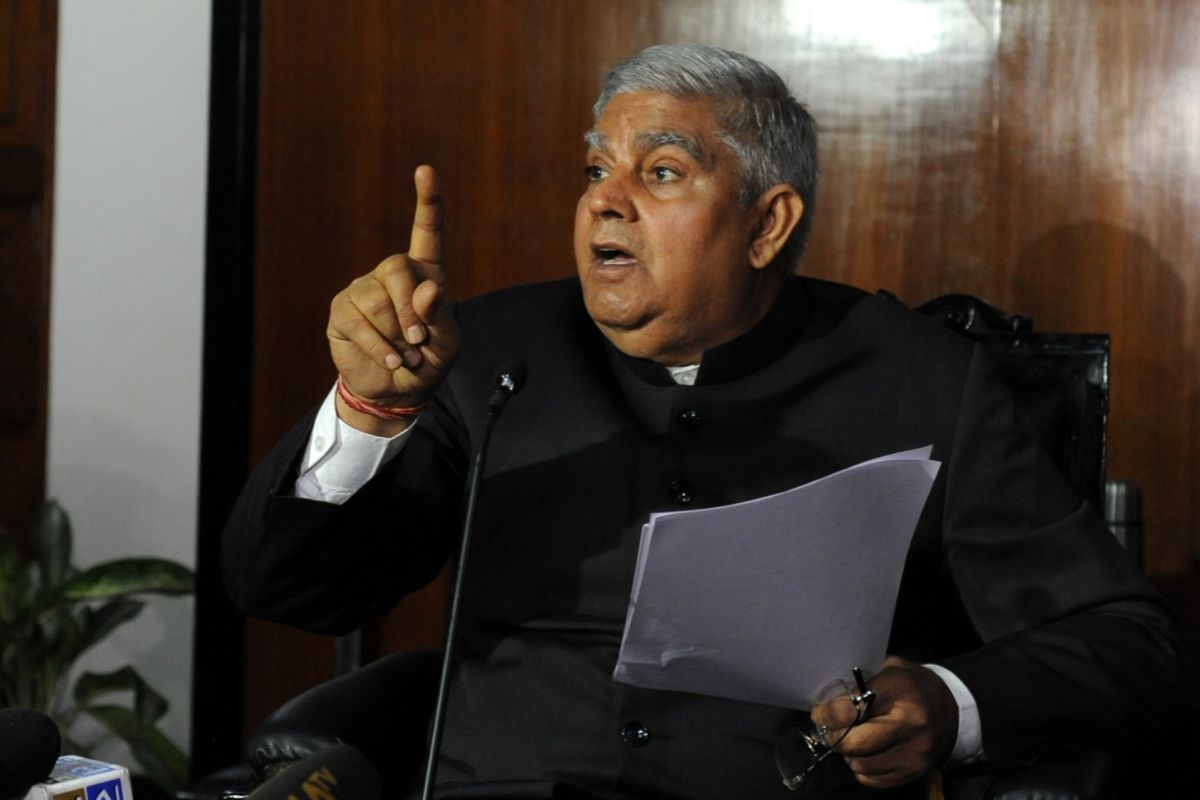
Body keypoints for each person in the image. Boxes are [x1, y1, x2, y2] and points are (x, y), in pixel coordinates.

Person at [223, 43, 1185, 799]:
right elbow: (289, 588)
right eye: (595, 168)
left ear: (767, 224)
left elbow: (1128, 641)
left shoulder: (920, 379)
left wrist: (947, 701)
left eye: (662, 172)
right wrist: (373, 408)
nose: (605, 200)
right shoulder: (489, 355)